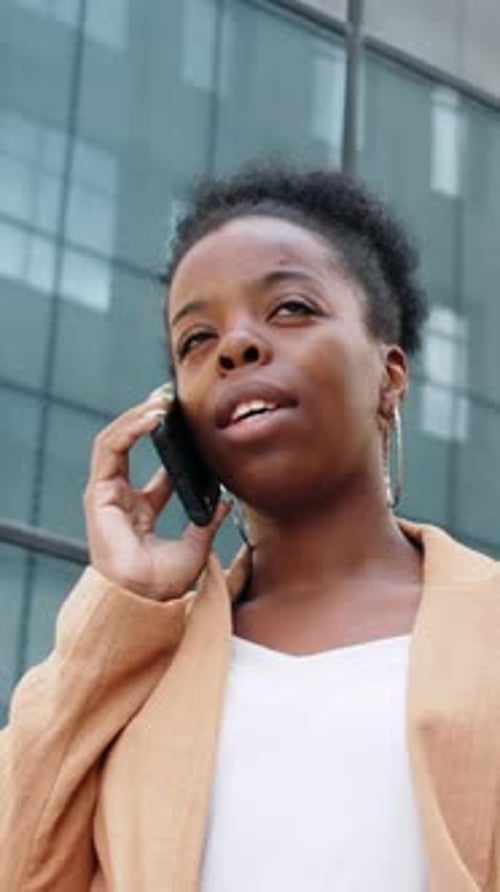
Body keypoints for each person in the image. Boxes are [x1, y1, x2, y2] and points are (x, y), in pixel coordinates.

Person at [1, 164, 499, 892]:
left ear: (389, 374)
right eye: (196, 340)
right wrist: (125, 604)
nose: (234, 348)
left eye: (291, 308)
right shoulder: (145, 659)